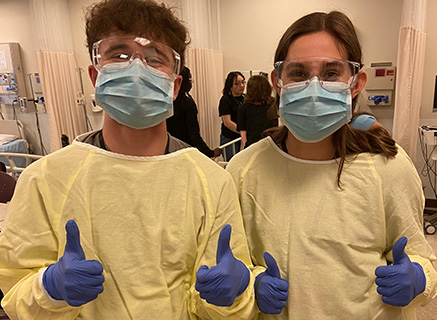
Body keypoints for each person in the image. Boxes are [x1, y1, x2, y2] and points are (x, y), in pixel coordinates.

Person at [0, 1, 260, 319]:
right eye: (120, 55)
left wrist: (228, 300)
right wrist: (49, 289)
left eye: (154, 59)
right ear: (96, 75)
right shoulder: (44, 180)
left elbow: (224, 301)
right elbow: (15, 293)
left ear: (175, 85)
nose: (136, 68)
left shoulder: (211, 181)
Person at [226, 11, 437, 319]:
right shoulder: (245, 170)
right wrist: (251, 283)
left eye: (330, 74)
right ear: (278, 82)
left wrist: (418, 278)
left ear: (355, 84)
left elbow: (421, 257)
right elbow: (234, 264)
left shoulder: (387, 167)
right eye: (298, 73)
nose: (314, 86)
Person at [167, 66, 221, 158]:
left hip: (167, 150)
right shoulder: (187, 103)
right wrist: (210, 152)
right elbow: (193, 135)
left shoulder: (165, 100)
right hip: (184, 151)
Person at [237, 75, 278, 148]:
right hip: (273, 143)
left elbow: (243, 131)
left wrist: (246, 147)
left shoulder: (244, 108)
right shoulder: (273, 104)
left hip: (253, 145)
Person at [218, 71, 245, 161]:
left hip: (242, 137)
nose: (241, 86)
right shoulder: (225, 100)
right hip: (229, 137)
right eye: (237, 84)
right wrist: (242, 131)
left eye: (243, 82)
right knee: (231, 163)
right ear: (230, 85)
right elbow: (227, 122)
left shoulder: (245, 98)